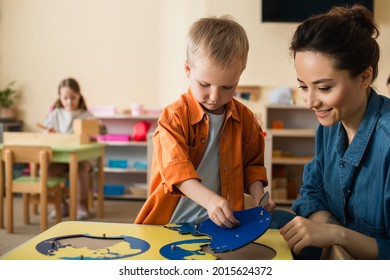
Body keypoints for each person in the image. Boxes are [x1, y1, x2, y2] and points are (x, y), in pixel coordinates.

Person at [135, 16, 277, 228]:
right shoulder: (174, 117)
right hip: (172, 224)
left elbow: (252, 166)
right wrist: (210, 200)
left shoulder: (246, 119)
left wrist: (259, 196)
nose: (214, 96)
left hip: (223, 224)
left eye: (227, 87)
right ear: (187, 70)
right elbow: (176, 172)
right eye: (204, 84)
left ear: (240, 74)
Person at [279, 4, 390, 259]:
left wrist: (336, 236)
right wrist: (330, 235)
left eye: (325, 88)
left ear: (364, 77)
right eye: (303, 86)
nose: (310, 102)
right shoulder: (330, 124)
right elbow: (311, 191)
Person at [44, 77, 104, 220]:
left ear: (79, 96)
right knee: (47, 170)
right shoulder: (55, 114)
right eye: (65, 98)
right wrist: (49, 133)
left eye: (73, 97)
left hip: (83, 158)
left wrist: (97, 125)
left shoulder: (86, 115)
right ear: (60, 97)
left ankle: (81, 205)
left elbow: (103, 131)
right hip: (61, 157)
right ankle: (62, 204)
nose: (69, 102)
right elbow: (45, 135)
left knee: (80, 167)